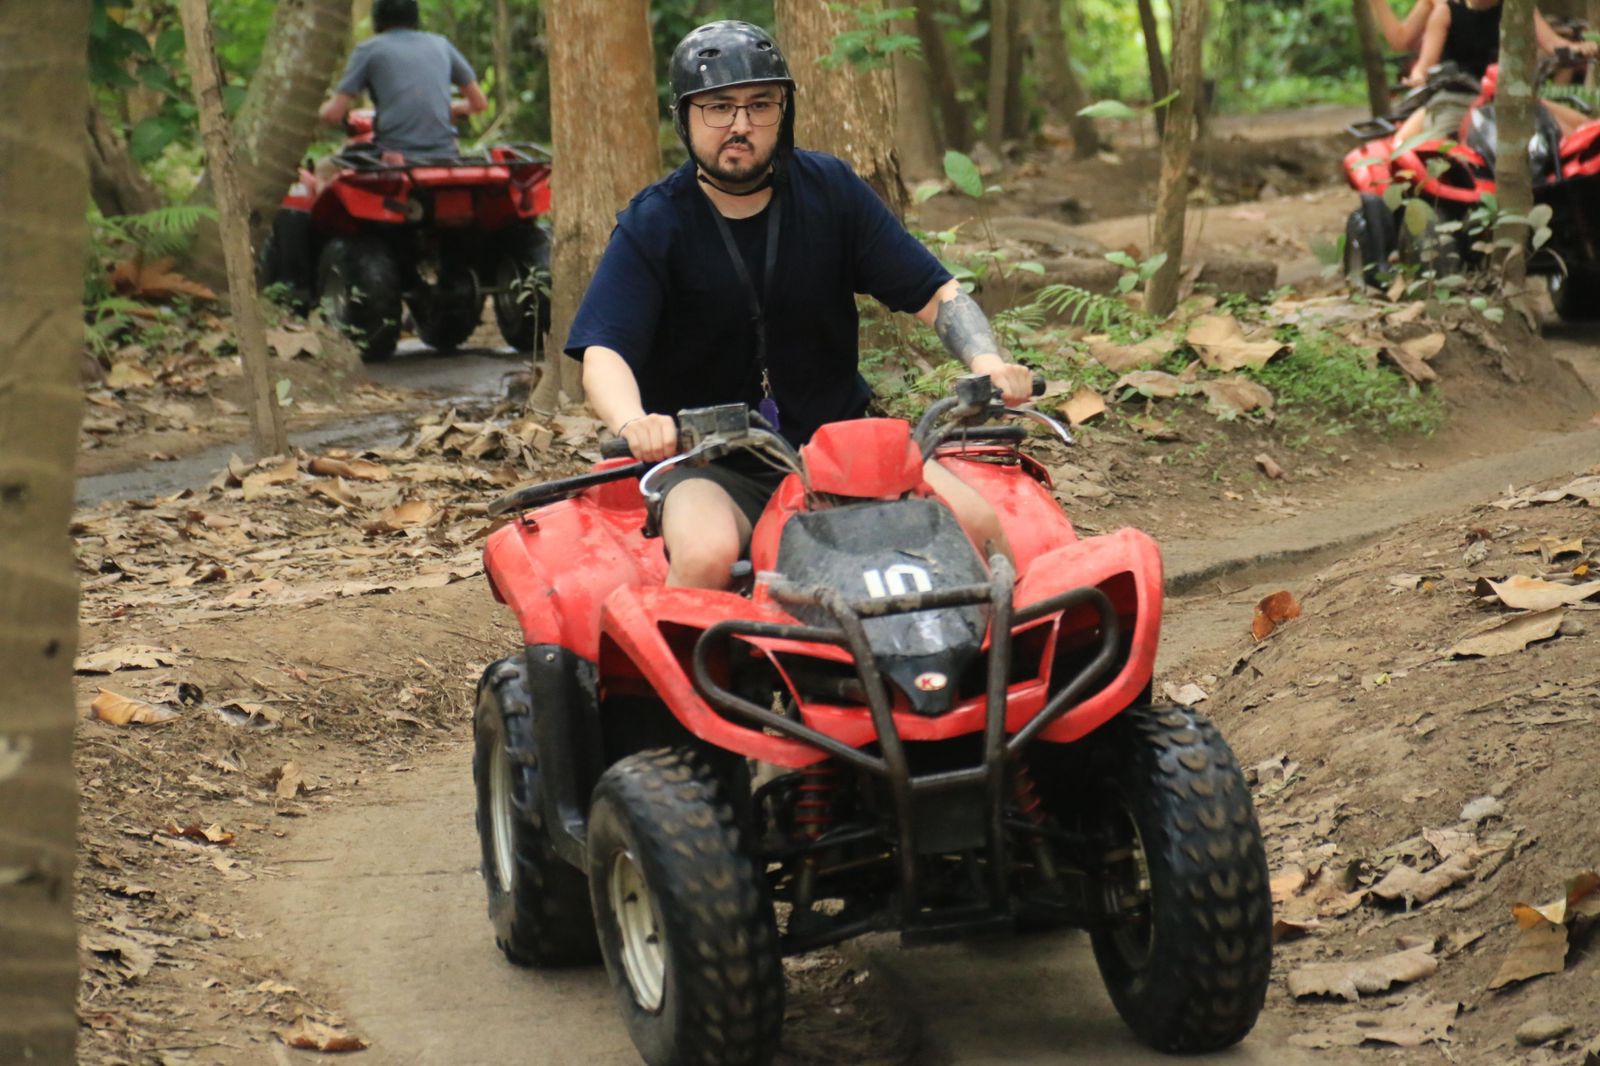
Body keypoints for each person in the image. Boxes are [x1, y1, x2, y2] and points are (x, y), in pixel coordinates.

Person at [568, 20, 1034, 591]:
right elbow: (605, 350)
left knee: (978, 521)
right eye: (718, 107)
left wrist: (986, 362)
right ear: (685, 118)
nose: (740, 126)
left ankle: (1004, 671)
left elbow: (937, 293)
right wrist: (635, 422)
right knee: (708, 554)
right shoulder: (654, 223)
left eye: (760, 105)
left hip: (843, 445)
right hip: (712, 463)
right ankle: (679, 677)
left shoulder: (831, 189)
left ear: (784, 110)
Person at [316, 0, 488, 175]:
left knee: (324, 169)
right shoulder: (441, 44)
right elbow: (479, 103)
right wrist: (455, 108)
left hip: (395, 157)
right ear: (415, 18)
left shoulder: (369, 50)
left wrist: (308, 114)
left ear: (377, 19)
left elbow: (333, 114)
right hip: (445, 155)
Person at [1396, 0, 1597, 140]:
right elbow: (1424, 66)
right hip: (1457, 99)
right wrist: (1418, 77)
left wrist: (1581, 48)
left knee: (1583, 128)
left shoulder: (1517, 7)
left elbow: (1553, 43)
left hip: (1509, 98)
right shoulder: (1446, 12)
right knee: (1435, 151)